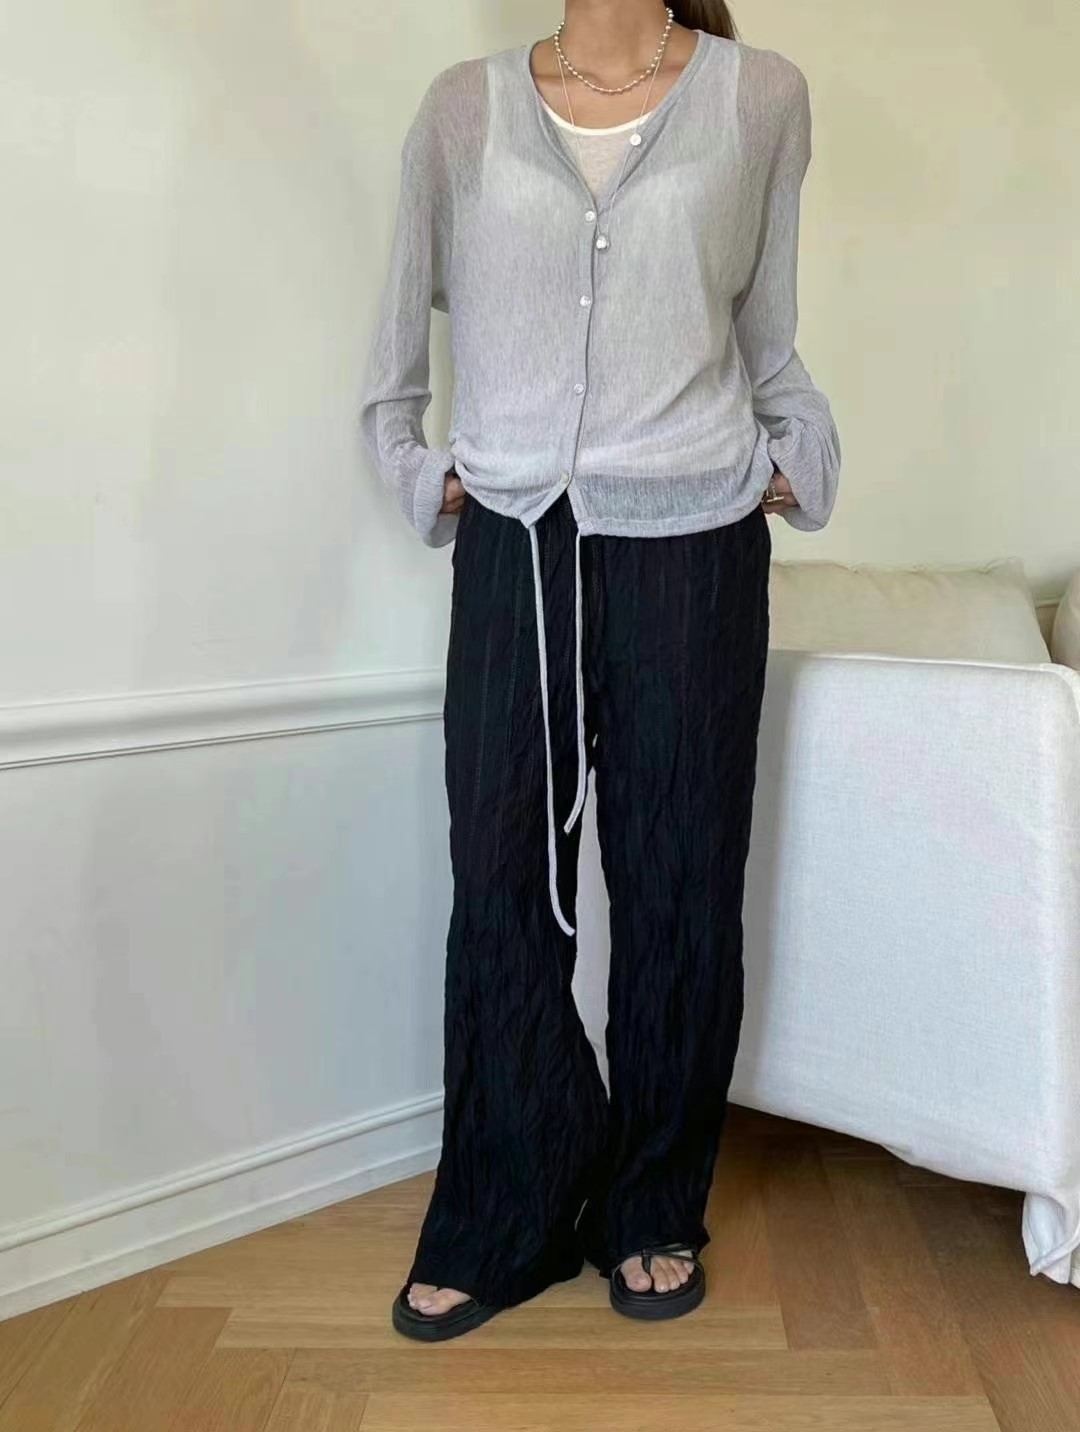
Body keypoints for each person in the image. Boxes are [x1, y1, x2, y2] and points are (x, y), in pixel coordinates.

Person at [360, 0, 840, 1343]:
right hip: (515, 537)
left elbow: (768, 332)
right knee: (502, 879)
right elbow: (396, 347)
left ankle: (651, 1206)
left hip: (694, 537)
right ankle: (508, 1205)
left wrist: (793, 460)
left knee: (679, 880)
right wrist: (420, 470)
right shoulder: (464, 107)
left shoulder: (760, 96)